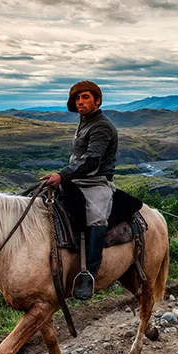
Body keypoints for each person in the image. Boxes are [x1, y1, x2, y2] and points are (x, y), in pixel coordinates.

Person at [40, 80, 118, 300]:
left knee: (96, 218)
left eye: (85, 97)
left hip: (96, 182)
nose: (80, 102)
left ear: (97, 100)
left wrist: (62, 175)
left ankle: (88, 275)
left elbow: (92, 160)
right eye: (77, 98)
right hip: (75, 180)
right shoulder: (84, 122)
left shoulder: (102, 126)